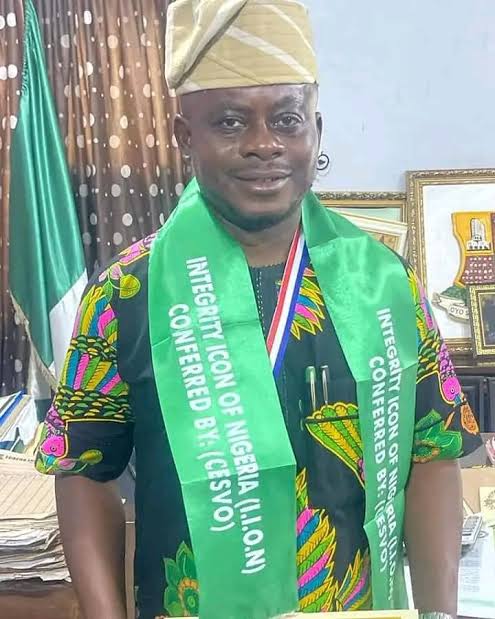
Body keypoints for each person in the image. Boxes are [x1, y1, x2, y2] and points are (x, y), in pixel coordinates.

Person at [35, 1, 481, 618]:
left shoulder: (384, 284)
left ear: (315, 131)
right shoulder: (125, 294)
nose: (263, 144)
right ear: (184, 136)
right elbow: (84, 468)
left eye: (287, 119)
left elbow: (432, 450)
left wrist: (438, 613)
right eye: (229, 122)